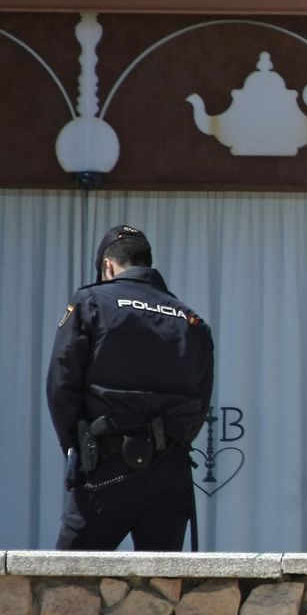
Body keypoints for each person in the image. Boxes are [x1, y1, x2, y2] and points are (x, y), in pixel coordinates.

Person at [46, 225, 213, 551]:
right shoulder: (190, 320)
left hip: (106, 465)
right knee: (162, 591)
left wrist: (78, 447)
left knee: (67, 581)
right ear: (146, 263)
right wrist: (170, 443)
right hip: (169, 470)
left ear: (108, 265)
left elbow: (61, 384)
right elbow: (200, 400)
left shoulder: (92, 301)